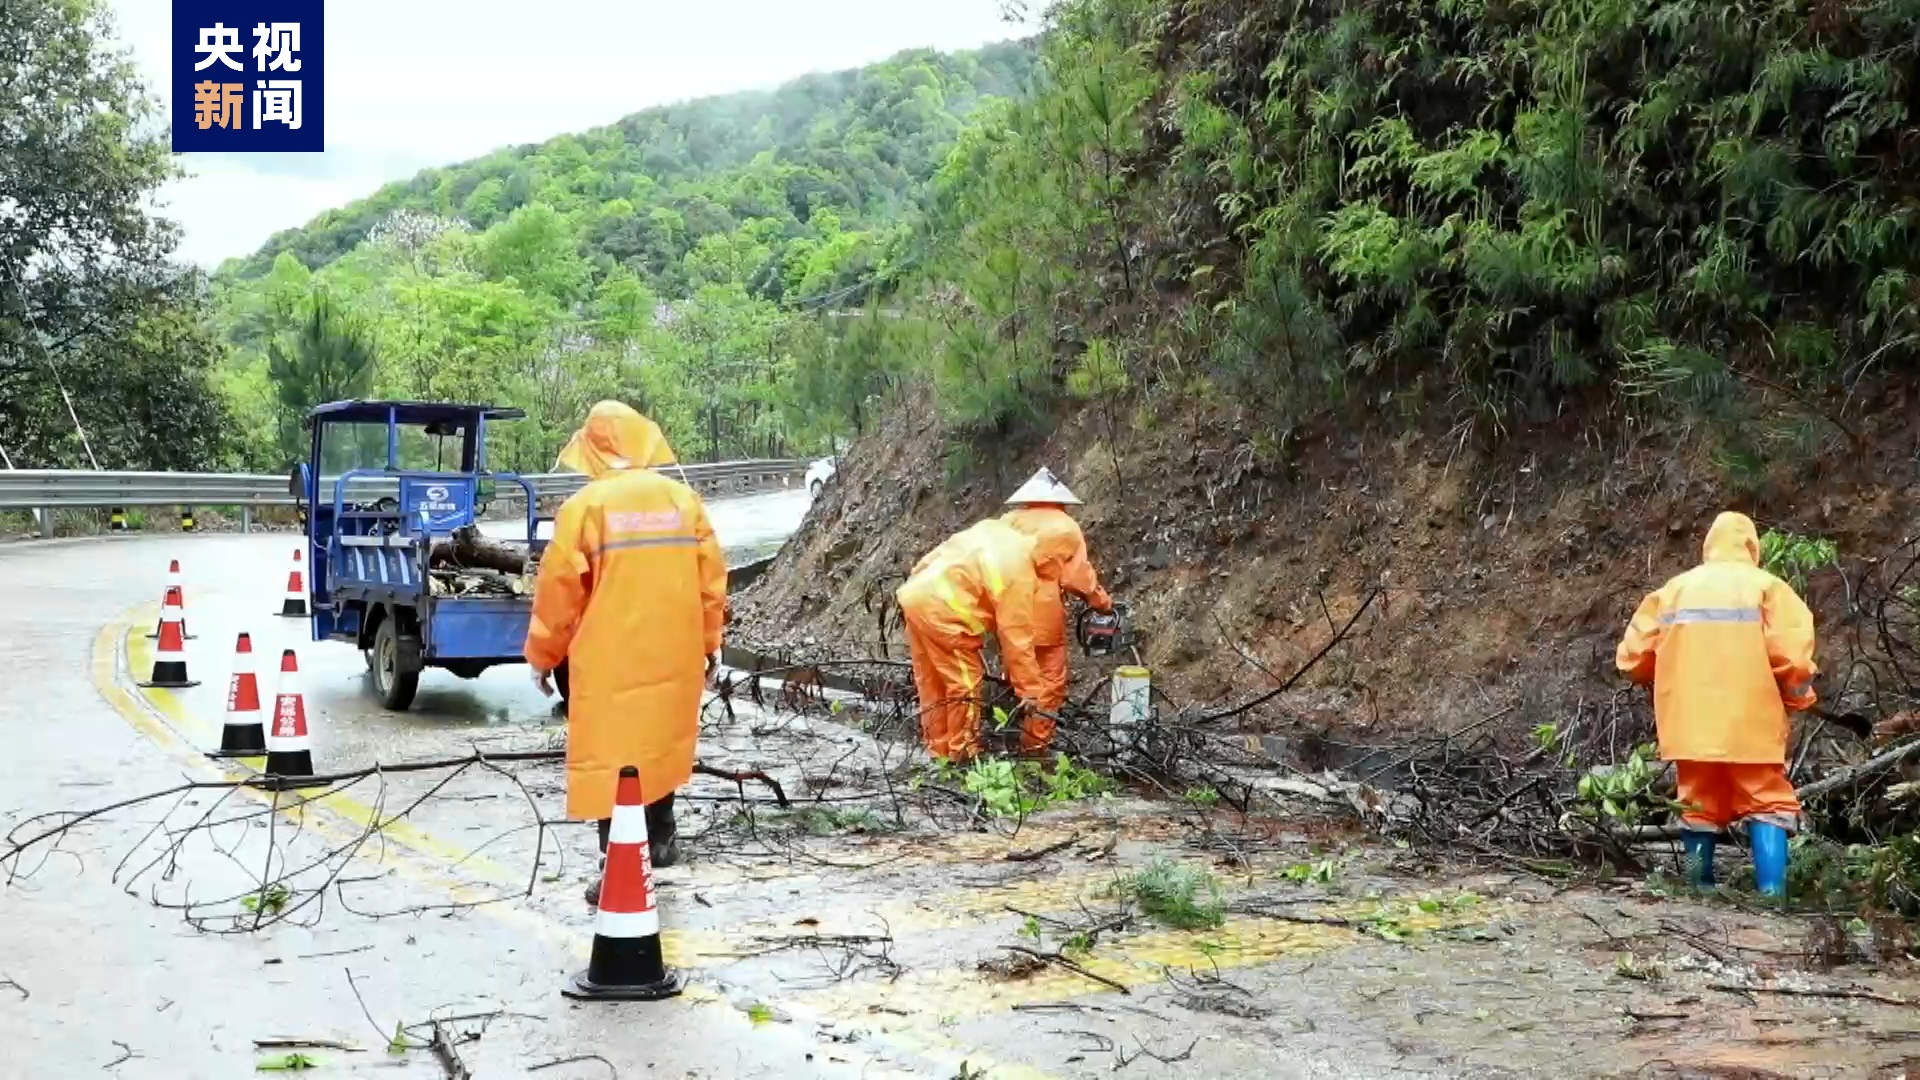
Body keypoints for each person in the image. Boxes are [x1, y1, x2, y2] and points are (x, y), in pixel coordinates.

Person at [525, 401, 727, 904]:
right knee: (658, 742)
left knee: (611, 756)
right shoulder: (684, 502)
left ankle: (617, 862)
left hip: (607, 660)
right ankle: (660, 838)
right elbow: (711, 586)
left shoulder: (585, 509)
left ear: (593, 446)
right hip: (673, 653)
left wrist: (543, 654)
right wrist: (708, 644)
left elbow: (560, 591)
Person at [1616, 511, 1818, 896]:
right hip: (1752, 723)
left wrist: (1658, 673)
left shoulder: (1672, 591)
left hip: (1690, 724)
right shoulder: (1769, 589)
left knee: (1696, 804)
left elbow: (1631, 658)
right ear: (1751, 546)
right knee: (1768, 803)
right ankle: (1771, 894)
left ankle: (1698, 886)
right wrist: (1797, 699)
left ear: (1709, 545)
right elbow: (1792, 659)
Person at [896, 518, 1050, 763]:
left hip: (915, 595)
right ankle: (963, 753)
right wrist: (1029, 691)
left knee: (932, 683)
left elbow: (935, 556)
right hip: (944, 614)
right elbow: (1016, 638)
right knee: (964, 684)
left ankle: (939, 753)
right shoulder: (1020, 573)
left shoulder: (994, 531)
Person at [1000, 467, 1112, 752]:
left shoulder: (1008, 522)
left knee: (1018, 673)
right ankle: (1034, 749)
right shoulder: (1065, 527)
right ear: (1061, 501)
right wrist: (1102, 602)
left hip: (1006, 610)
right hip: (1043, 614)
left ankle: (1002, 733)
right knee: (1049, 683)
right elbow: (1078, 578)